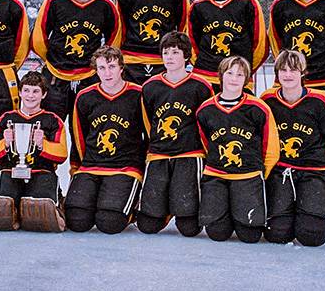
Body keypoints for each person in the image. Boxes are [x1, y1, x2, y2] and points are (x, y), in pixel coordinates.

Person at [261, 50, 325, 247]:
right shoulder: (268, 100)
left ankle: (307, 207)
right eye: (283, 70)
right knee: (277, 234)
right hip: (281, 171)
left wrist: (320, 167)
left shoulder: (321, 100)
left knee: (312, 235)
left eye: (293, 69)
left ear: (303, 72)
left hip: (313, 171)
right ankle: (287, 209)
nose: (288, 74)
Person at [196, 56, 279, 243]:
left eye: (240, 74)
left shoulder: (258, 108)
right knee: (217, 233)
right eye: (230, 73)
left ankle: (239, 213)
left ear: (247, 79)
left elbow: (271, 146)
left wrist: (259, 173)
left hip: (247, 175)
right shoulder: (206, 109)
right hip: (217, 175)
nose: (234, 78)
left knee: (250, 236)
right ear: (221, 76)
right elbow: (205, 142)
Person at [65, 46, 148, 234]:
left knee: (110, 222)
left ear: (121, 68)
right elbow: (78, 136)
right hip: (92, 165)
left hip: (125, 167)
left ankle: (128, 206)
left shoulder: (138, 94)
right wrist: (76, 169)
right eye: (102, 68)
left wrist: (145, 169)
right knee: (77, 221)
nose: (107, 73)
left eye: (112, 67)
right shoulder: (85, 97)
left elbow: (149, 134)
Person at [138, 32, 213, 237]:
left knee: (189, 228)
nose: (169, 57)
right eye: (165, 52)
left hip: (189, 154)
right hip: (159, 154)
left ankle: (180, 205)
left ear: (186, 56)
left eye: (175, 52)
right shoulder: (150, 86)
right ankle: (164, 206)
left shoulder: (200, 86)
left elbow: (208, 123)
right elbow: (147, 122)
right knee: (147, 225)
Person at [31, 0, 122, 122]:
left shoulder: (105, 6)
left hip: (89, 77)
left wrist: (100, 64)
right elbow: (38, 37)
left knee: (86, 130)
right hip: (56, 77)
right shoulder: (55, 2)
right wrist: (51, 59)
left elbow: (114, 39)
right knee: (50, 128)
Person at [0, 71, 68, 232]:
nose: (30, 96)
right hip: (9, 171)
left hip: (41, 171)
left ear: (44, 94)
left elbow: (61, 154)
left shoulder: (53, 120)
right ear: (19, 92)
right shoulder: (6, 118)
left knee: (40, 211)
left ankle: (55, 206)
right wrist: (5, 142)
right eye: (26, 90)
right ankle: (16, 212)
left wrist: (42, 144)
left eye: (35, 91)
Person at [190, 0, 266, 94]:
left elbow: (260, 44)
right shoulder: (198, 7)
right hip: (206, 77)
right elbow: (192, 44)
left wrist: (243, 70)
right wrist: (206, 66)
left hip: (238, 80)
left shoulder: (248, 4)